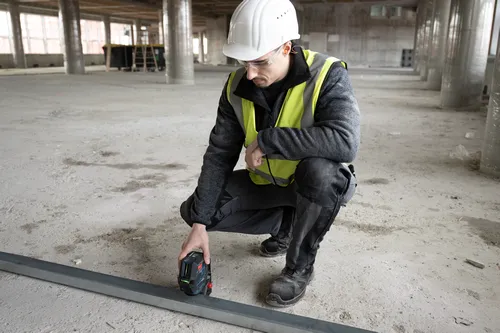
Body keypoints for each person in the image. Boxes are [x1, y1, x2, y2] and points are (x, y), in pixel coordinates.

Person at [178, 0, 360, 307]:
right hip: (270, 186)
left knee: (321, 173)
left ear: (286, 48)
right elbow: (220, 153)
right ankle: (284, 225)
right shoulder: (237, 84)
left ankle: (299, 268)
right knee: (195, 210)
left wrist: (269, 140)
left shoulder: (327, 74)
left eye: (259, 62)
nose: (249, 74)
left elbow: (345, 141)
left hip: (313, 185)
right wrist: (199, 226)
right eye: (243, 62)